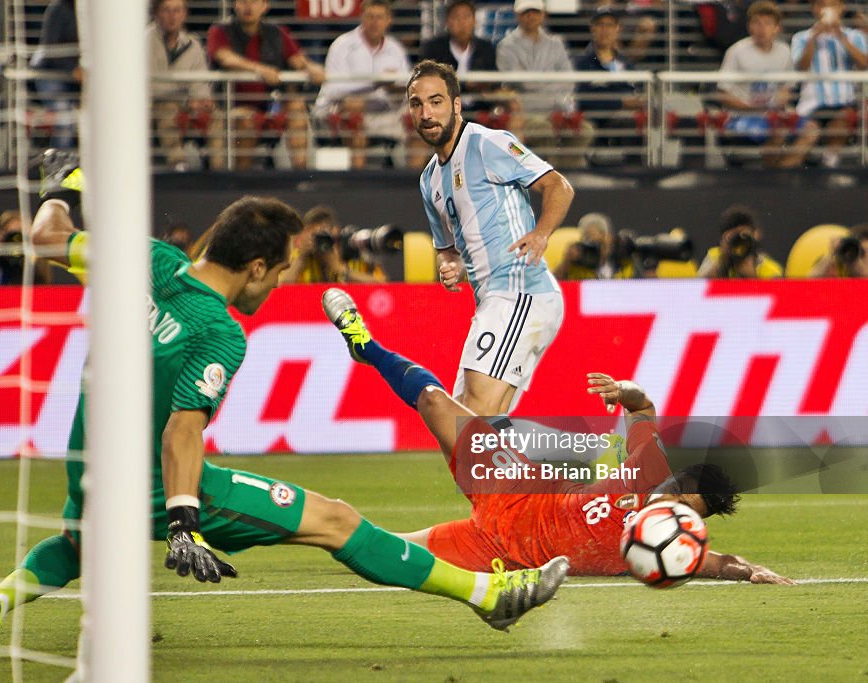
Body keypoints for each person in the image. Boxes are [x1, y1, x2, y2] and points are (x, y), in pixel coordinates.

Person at [0, 152, 568, 658]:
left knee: (83, 542)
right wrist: (186, 520)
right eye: (280, 271)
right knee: (335, 520)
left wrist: (65, 182)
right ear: (254, 267)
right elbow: (182, 431)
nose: (281, 283)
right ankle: (490, 593)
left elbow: (48, 236)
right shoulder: (219, 331)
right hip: (159, 483)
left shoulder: (147, 260)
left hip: (88, 464)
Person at [322, 287, 795, 584]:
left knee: (379, 550)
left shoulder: (663, 544)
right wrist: (624, 389)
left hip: (502, 553)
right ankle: (367, 347)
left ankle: (286, 526)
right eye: (679, 500)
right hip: (514, 488)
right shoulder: (650, 467)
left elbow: (714, 562)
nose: (673, 514)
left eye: (687, 515)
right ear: (674, 482)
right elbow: (643, 407)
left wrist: (747, 570)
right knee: (432, 400)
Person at [407, 59, 574, 416]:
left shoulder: (487, 143)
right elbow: (449, 251)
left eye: (436, 101)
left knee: (474, 415)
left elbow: (558, 186)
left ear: (455, 104)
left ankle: (567, 459)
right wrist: (451, 267)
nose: (426, 113)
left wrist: (542, 234)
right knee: (465, 424)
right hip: (491, 301)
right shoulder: (428, 181)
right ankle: (545, 468)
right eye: (417, 104)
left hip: (520, 291)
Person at [207, 0, 325, 170]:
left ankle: (301, 175)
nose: (249, 7)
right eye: (243, 2)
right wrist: (260, 69)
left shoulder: (276, 33)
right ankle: (241, 179)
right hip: (230, 107)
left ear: (265, 6)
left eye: (254, 2)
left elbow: (297, 59)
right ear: (235, 5)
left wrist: (312, 68)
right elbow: (224, 57)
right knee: (246, 120)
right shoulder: (220, 31)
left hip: (269, 107)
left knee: (297, 107)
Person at [313, 0, 420, 169]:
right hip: (341, 111)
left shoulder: (396, 49)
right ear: (361, 17)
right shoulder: (342, 45)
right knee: (354, 111)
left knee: (420, 115)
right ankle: (357, 185)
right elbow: (332, 89)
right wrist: (374, 83)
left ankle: (414, 185)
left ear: (389, 20)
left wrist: (394, 88)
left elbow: (407, 90)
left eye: (379, 17)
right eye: (370, 16)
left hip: (385, 112)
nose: (374, 22)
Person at [496, 0, 594, 169]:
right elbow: (520, 82)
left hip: (558, 109)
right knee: (543, 128)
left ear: (544, 14)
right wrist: (551, 81)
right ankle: (549, 176)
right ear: (518, 15)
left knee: (586, 130)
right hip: (527, 112)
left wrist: (536, 82)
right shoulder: (506, 46)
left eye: (535, 11)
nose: (531, 16)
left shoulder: (556, 42)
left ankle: (570, 175)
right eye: (526, 12)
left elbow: (568, 79)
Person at [716, 1, 809, 168]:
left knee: (811, 129)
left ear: (777, 28)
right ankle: (774, 177)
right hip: (741, 117)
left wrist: (782, 99)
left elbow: (787, 87)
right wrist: (753, 109)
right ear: (749, 26)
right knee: (778, 132)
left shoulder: (784, 51)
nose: (762, 28)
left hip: (774, 114)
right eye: (756, 23)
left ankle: (782, 170)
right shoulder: (736, 52)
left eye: (767, 23)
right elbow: (723, 94)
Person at [419, 0, 520, 140]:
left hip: (480, 105)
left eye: (466, 17)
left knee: (513, 105)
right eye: (456, 17)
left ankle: (509, 157)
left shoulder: (485, 48)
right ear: (448, 22)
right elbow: (427, 82)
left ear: (475, 21)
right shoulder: (433, 48)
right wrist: (466, 85)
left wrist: (485, 86)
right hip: (444, 108)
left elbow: (495, 81)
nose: (462, 23)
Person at [147, 0, 226, 171]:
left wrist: (201, 100)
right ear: (156, 13)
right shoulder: (143, 42)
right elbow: (150, 87)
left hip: (185, 105)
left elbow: (200, 81)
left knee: (215, 114)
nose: (172, 16)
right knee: (167, 109)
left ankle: (217, 170)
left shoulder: (193, 44)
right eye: (166, 10)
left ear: (184, 14)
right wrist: (186, 100)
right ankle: (178, 166)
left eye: (177, 10)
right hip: (150, 109)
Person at [790, 0, 868, 168]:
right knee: (805, 138)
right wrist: (813, 38)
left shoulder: (856, 36)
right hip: (811, 105)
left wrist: (841, 36)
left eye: (832, 4)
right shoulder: (801, 37)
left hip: (843, 103)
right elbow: (801, 67)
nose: (826, 9)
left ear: (841, 8)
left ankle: (830, 163)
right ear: (814, 9)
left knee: (843, 118)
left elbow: (864, 64)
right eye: (821, 4)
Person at [573, 8, 646, 164]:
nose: (604, 30)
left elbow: (637, 89)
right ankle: (634, 171)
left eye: (610, 25)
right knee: (630, 122)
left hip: (629, 116)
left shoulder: (626, 63)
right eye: (600, 25)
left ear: (618, 29)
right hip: (599, 118)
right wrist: (621, 102)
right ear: (592, 28)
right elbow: (582, 98)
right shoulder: (581, 63)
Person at [280, 205, 388, 284]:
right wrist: (300, 259)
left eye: (325, 235)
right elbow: (278, 292)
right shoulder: (294, 257)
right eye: (315, 236)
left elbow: (383, 287)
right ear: (304, 234)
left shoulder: (352, 254)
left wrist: (341, 270)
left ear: (336, 232)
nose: (321, 242)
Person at [31, 0, 81, 149]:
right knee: (64, 117)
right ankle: (60, 167)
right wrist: (74, 69)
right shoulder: (58, 9)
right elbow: (50, 50)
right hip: (51, 74)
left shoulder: (94, 12)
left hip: (80, 78)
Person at [696, 205, 783, 279]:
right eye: (733, 237)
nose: (739, 242)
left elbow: (778, 296)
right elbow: (696, 288)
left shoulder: (768, 268)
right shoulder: (715, 256)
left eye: (743, 236)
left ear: (756, 235)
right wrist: (722, 263)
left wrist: (752, 277)